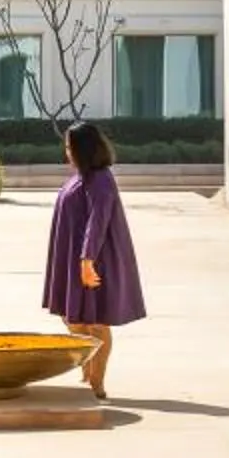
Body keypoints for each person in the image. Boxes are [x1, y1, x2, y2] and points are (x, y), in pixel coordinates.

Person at [42, 119, 146, 399]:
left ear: (83, 149)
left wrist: (87, 260)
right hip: (72, 257)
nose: (66, 152)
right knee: (73, 317)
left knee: (97, 320)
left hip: (94, 258)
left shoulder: (101, 179)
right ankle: (88, 370)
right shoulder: (80, 176)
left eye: (69, 147)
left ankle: (97, 383)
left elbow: (97, 221)